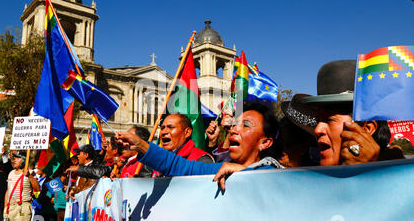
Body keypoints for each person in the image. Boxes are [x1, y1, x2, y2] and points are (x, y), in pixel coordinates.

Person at [115, 101, 284, 190]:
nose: (233, 130)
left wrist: (247, 174)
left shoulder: (279, 177)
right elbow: (177, 165)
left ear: (265, 142)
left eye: (245, 125)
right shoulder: (219, 169)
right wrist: (142, 146)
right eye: (234, 124)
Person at [294, 60, 402, 166]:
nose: (317, 130)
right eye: (318, 121)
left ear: (367, 129)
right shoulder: (311, 178)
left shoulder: (404, 179)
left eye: (329, 120)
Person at [66, 126, 153, 179]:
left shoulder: (148, 163)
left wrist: (134, 183)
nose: (123, 143)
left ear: (140, 141)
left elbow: (146, 187)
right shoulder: (123, 163)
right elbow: (99, 170)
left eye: (128, 139)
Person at [3, 152, 41, 221]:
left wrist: (29, 176)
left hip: (22, 207)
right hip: (9, 208)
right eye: (13, 158)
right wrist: (5, 208)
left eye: (17, 158)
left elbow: (37, 188)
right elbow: (8, 191)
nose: (13, 160)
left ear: (23, 159)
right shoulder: (10, 173)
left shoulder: (30, 172)